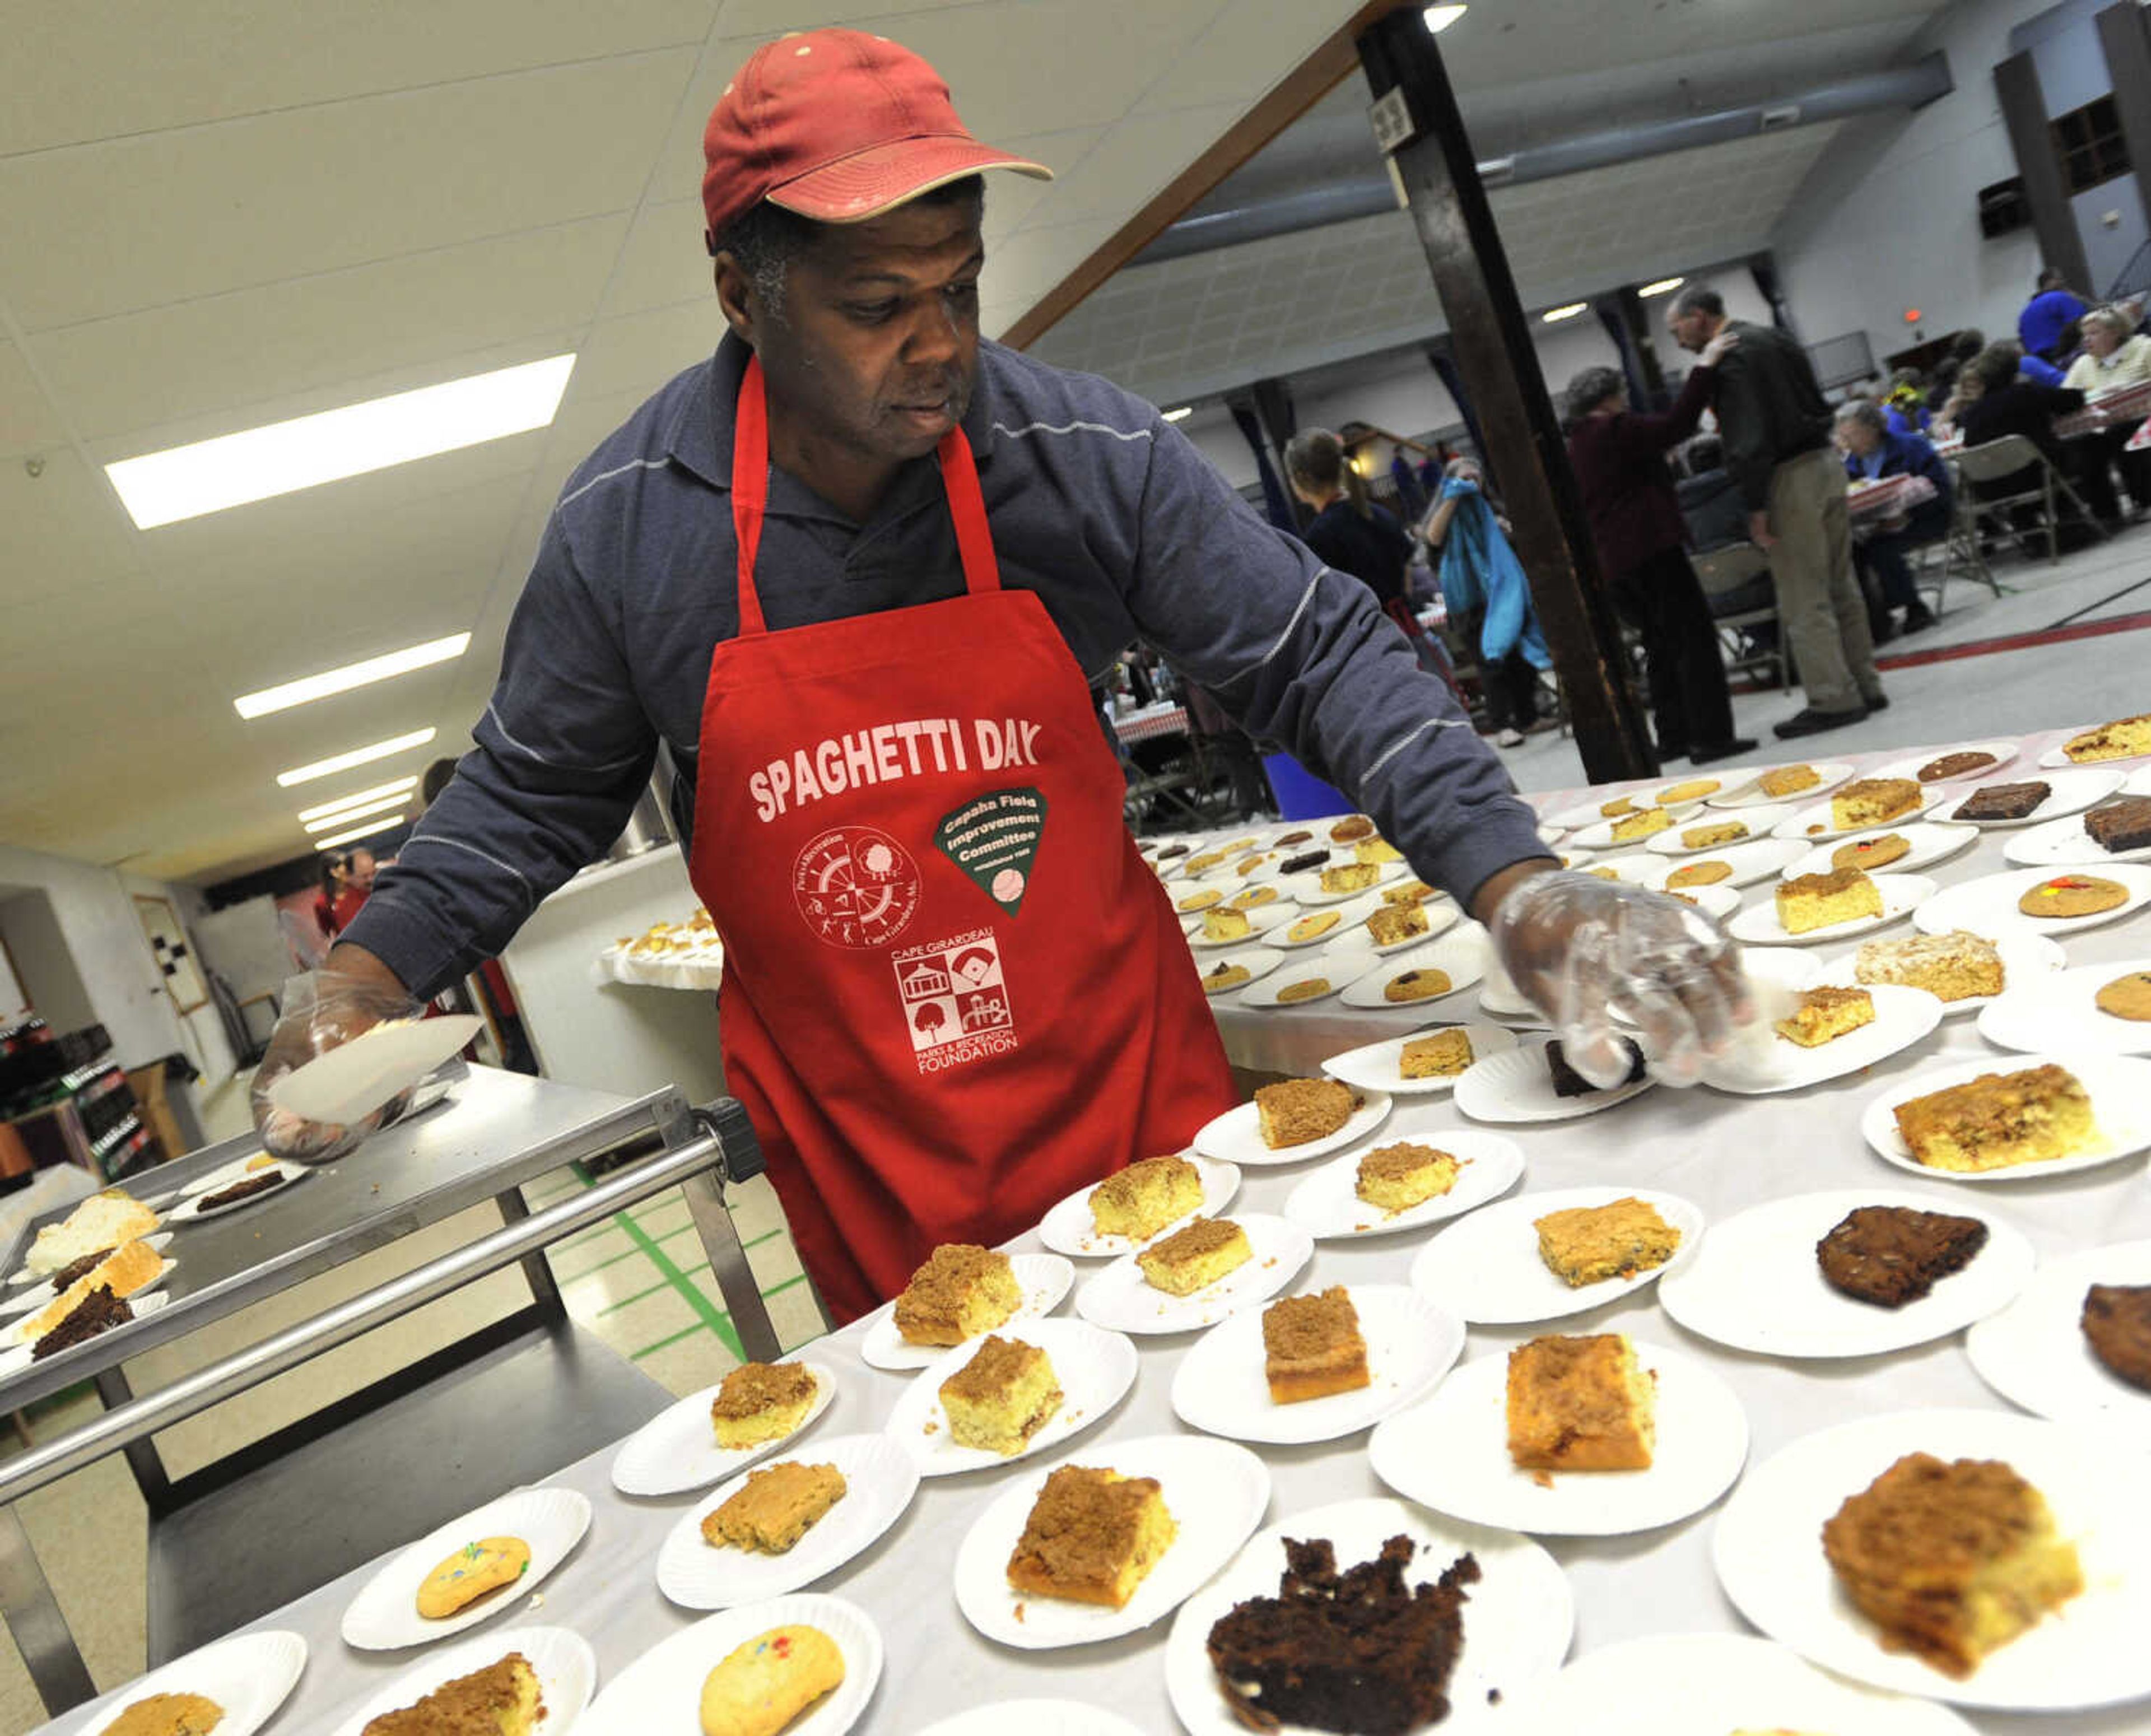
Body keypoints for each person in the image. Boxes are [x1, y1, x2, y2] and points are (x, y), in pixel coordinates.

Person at [252, 29, 1754, 1324]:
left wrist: (1519, 883)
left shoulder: (1074, 453)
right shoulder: (635, 528)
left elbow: (1317, 651)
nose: (941, 346)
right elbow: (523, 797)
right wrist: (367, 973)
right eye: (876, 304)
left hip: (1135, 1092)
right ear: (740, 295)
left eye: (959, 286)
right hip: (868, 1156)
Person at [1666, 285, 1885, 739]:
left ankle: (1833, 697)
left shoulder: (1732, 358)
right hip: (1826, 462)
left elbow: (1748, 440)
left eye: (1678, 329)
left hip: (1787, 475)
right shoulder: (1775, 337)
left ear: (1701, 317)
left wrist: (1756, 505)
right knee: (1842, 583)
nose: (1676, 340)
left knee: (1804, 595)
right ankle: (1866, 683)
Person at [1562, 358, 1755, 766]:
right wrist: (1702, 370)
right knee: (1693, 640)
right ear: (1611, 396)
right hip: (1650, 546)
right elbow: (1678, 425)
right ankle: (1710, 737)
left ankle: (1673, 738)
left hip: (1615, 561)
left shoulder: (1578, 443)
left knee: (1660, 646)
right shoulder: (1614, 430)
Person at [1421, 459, 1556, 747]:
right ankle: (1502, 724)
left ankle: (1528, 718)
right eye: (1465, 477)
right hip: (1470, 602)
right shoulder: (1446, 512)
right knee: (1490, 663)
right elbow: (1433, 539)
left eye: (1476, 476)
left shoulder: (1491, 510)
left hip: (1504, 595)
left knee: (1520, 660)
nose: (1473, 481)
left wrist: (1504, 527)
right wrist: (1453, 498)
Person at [1956, 342, 2116, 537]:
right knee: (2093, 444)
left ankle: (2033, 531)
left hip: (1994, 488)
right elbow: (2073, 400)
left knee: (2026, 463)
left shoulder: (1971, 414)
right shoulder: (2026, 393)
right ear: (2015, 368)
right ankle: (2105, 515)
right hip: (2039, 476)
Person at [1836, 401, 1950, 640]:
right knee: (1850, 551)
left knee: (1881, 547)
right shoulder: (1851, 464)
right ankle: (1875, 619)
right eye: (1843, 437)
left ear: (1873, 428)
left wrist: (1906, 516)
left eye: (1852, 435)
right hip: (1878, 525)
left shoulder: (1911, 446)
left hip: (1925, 518)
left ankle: (1915, 607)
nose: (1847, 443)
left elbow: (1940, 489)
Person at [2062, 305, 2151, 519]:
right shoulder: (2083, 363)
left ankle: (2145, 500)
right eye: (2084, 336)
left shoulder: (2144, 348)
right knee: (2084, 446)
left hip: (2144, 416)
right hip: (2103, 424)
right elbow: (2064, 397)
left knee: (2126, 433)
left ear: (2116, 332)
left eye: (2094, 333)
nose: (2086, 340)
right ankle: (2106, 513)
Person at [2019, 267, 2087, 364]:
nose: (2064, 282)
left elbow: (2023, 340)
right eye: (2059, 279)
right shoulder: (2061, 298)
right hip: (2064, 356)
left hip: (2041, 363)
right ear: (2048, 283)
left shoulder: (2026, 312)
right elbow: (2082, 323)